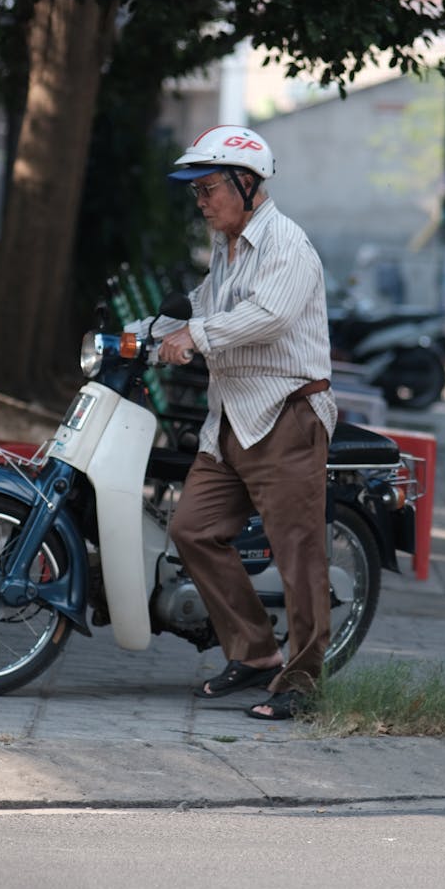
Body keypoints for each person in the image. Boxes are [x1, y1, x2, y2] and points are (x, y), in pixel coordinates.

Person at [132, 125, 337, 721]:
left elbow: (268, 316)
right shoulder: (227, 247)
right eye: (195, 192)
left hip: (286, 416)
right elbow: (199, 306)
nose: (201, 201)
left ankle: (302, 684)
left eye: (209, 188)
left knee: (298, 554)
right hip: (231, 419)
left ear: (247, 184)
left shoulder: (287, 247)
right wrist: (141, 334)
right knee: (192, 528)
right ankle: (254, 654)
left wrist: (194, 337)